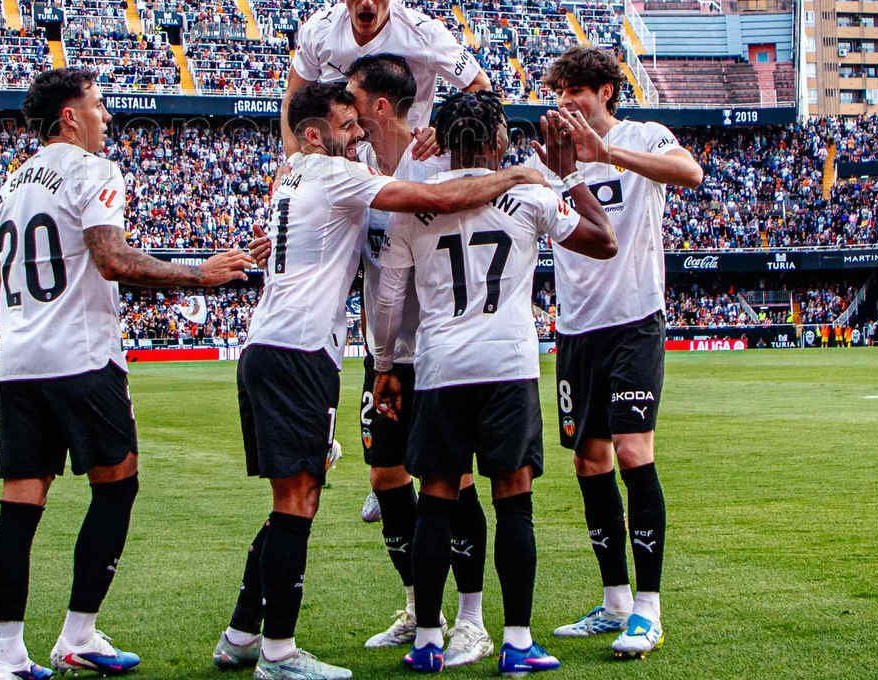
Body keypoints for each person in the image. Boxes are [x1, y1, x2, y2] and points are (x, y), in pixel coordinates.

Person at [213, 82, 545, 680]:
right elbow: (431, 199)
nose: (359, 129)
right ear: (319, 134)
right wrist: (518, 176)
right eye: (347, 120)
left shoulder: (306, 168)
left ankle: (246, 633)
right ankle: (294, 647)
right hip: (330, 350)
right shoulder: (340, 173)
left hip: (326, 346)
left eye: (361, 113)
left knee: (314, 493)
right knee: (312, 496)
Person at [0, 68, 263, 680]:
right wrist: (200, 273)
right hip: (81, 359)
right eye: (99, 106)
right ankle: (78, 634)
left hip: (18, 362)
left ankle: (7, 657)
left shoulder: (8, 187)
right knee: (116, 485)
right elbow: (111, 258)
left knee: (20, 505)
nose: (106, 117)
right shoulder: (93, 171)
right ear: (70, 117)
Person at [369, 92, 619, 674]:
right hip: (507, 366)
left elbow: (388, 300)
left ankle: (429, 641)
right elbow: (603, 240)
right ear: (499, 142)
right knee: (514, 502)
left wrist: (386, 363)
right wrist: (570, 175)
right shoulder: (532, 193)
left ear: (446, 142)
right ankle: (517, 642)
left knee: (435, 501)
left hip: (439, 367)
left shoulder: (416, 207)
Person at [530, 47, 703, 661]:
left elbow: (690, 173)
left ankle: (650, 611)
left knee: (633, 452)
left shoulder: (643, 135)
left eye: (574, 90)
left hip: (634, 322)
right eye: (557, 91)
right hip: (577, 331)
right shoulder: (550, 157)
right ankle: (616, 603)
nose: (564, 101)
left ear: (605, 91)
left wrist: (608, 155)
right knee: (589, 463)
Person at [344, 54, 489, 664]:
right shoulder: (346, 165)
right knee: (386, 476)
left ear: (380, 105)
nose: (343, 109)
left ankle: (471, 618)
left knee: (452, 481)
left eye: (351, 99)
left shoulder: (431, 157)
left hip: (435, 350)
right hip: (384, 354)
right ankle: (415, 605)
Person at [281, 0, 488, 155]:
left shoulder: (424, 34)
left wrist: (443, 131)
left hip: (405, 166)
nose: (367, 0)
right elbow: (292, 101)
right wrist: (294, 164)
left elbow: (480, 86)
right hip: (338, 168)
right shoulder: (319, 30)